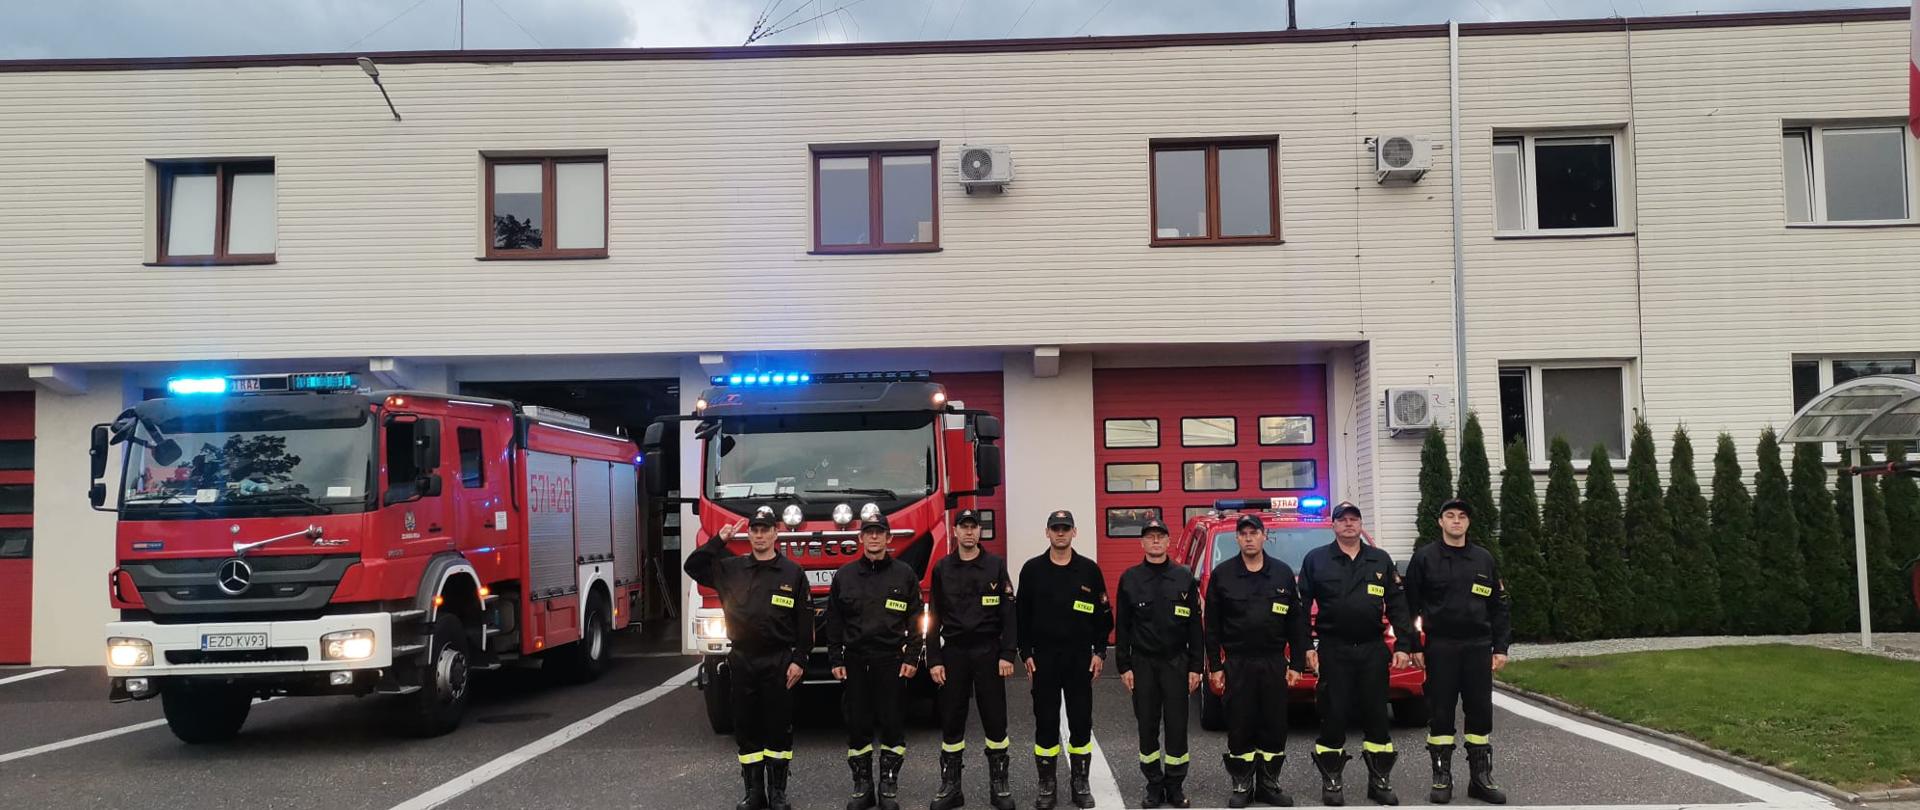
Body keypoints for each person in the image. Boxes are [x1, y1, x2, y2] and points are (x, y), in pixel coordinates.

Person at [683, 506, 813, 810]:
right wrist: (719, 539)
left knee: (778, 726)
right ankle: (754, 792)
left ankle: (777, 792)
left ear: (775, 533)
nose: (759, 535)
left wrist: (801, 659)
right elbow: (693, 566)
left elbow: (805, 622)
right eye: (754, 529)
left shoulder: (792, 573)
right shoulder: (732, 568)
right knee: (746, 726)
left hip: (779, 660)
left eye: (765, 529)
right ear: (749, 533)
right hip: (743, 659)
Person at [1298, 501, 1420, 807]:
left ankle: (1379, 782)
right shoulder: (1316, 560)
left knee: (1377, 715)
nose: (1349, 524)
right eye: (1343, 520)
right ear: (1334, 525)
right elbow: (1300, 610)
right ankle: (1332, 781)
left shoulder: (1379, 560)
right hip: (1333, 649)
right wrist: (1304, 650)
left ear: (1360, 525)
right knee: (1333, 715)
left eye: (1354, 519)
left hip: (1372, 650)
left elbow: (1397, 606)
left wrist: (1404, 645)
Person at [1405, 498, 1511, 805]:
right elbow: (1409, 607)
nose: (1456, 521)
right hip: (1440, 646)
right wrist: (1414, 645)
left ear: (1468, 523)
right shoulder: (1424, 559)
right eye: (1450, 516)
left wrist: (1500, 647)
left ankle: (1480, 779)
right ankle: (1442, 778)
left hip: (1478, 647)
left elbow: (1499, 606)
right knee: (1440, 713)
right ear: (1440, 522)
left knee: (1480, 712)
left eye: (1462, 516)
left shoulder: (1484, 559)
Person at [1205, 513, 1309, 808]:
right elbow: (1211, 626)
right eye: (1243, 533)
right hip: (1237, 663)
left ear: (1265, 536)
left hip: (1273, 662)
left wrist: (1297, 664)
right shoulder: (1223, 575)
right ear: (1237, 539)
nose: (1249, 538)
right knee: (1240, 723)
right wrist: (1215, 665)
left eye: (1254, 532)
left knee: (1274, 724)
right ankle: (1242, 785)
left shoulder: (1281, 573)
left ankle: (1268, 784)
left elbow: (1295, 622)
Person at [828, 513, 926, 810]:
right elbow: (834, 621)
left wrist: (912, 655)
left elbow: (916, 617)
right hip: (855, 661)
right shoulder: (844, 575)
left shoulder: (903, 574)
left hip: (891, 661)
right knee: (857, 725)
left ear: (888, 538)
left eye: (879, 533)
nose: (873, 537)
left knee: (892, 724)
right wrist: (835, 657)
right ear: (860, 538)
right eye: (868, 532)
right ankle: (862, 787)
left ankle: (888, 786)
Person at [1017, 510, 1112, 809]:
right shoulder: (1032, 570)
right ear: (1047, 532)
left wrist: (1099, 652)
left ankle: (1080, 782)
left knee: (1081, 720)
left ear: (1074, 532)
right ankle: (1047, 785)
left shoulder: (1089, 571)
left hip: (1079, 659)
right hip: (1044, 659)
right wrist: (1026, 653)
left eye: (1065, 528)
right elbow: (1021, 618)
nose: (1060, 533)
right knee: (1045, 721)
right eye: (1055, 528)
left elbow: (1103, 618)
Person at [928, 509, 1020, 810]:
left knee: (995, 719)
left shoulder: (994, 565)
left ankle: (999, 785)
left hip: (988, 652)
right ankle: (951, 786)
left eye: (974, 527)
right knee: (952, 719)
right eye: (963, 527)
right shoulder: (942, 568)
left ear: (980, 532)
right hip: (954, 652)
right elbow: (934, 616)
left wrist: (1007, 654)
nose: (969, 532)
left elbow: (1008, 614)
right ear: (955, 531)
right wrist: (934, 658)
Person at [1116, 518, 1205, 808]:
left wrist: (1195, 667)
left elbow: (1195, 627)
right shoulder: (1130, 578)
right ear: (1141, 543)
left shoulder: (1184, 577)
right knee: (1147, 726)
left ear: (1169, 542)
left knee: (1178, 726)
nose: (1155, 541)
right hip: (1143, 664)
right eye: (1149, 537)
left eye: (1160, 537)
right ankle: (1154, 784)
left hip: (1176, 663)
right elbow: (1123, 626)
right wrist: (1124, 666)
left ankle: (1175, 786)